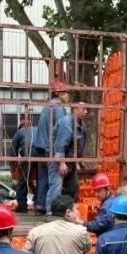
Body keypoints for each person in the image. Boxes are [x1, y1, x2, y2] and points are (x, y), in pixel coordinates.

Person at [32, 81, 71, 215]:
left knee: (43, 179)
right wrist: (61, 159)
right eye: (66, 93)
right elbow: (60, 131)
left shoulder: (47, 106)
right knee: (55, 182)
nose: (68, 96)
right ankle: (52, 212)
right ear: (60, 94)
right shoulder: (58, 108)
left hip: (40, 148)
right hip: (50, 150)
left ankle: (41, 205)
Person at [54, 103, 89, 202]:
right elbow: (60, 143)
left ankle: (70, 208)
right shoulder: (67, 122)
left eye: (86, 109)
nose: (86, 112)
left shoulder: (82, 125)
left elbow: (81, 143)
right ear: (75, 110)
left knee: (73, 187)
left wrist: (81, 160)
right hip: (59, 161)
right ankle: (53, 210)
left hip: (71, 161)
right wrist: (61, 163)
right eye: (83, 109)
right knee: (56, 188)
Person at [11, 119, 37, 213]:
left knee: (23, 181)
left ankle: (22, 206)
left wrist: (13, 164)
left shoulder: (20, 132)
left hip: (28, 155)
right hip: (43, 156)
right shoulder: (38, 129)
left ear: (20, 127)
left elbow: (13, 151)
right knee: (41, 181)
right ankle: (40, 205)